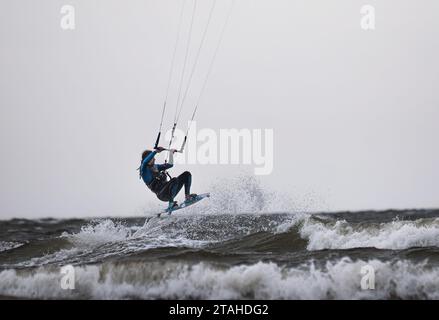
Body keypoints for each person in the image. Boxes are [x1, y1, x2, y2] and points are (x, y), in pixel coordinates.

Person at [139, 147, 197, 211]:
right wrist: (155, 152)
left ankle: (187, 197)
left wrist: (171, 153)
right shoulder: (144, 171)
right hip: (162, 194)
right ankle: (171, 204)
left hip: (170, 190)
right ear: (148, 158)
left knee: (186, 174)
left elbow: (170, 165)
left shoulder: (156, 167)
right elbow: (145, 162)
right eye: (152, 158)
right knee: (174, 180)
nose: (154, 159)